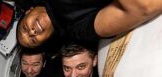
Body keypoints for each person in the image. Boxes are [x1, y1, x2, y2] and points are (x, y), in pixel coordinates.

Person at [17, 0, 162, 48]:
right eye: (33, 40)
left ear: (29, 11)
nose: (31, 32)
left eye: (25, 28)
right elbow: (143, 7)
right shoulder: (78, 30)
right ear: (46, 40)